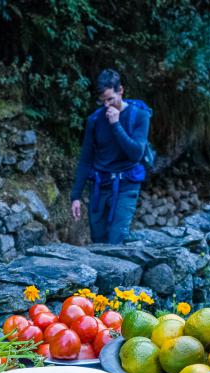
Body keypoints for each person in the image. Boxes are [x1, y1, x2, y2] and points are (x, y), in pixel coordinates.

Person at [70, 69, 151, 244]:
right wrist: (75, 197)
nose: (107, 105)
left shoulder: (140, 116)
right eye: (102, 101)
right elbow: (85, 159)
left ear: (120, 91)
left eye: (110, 99)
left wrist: (115, 125)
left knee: (117, 239)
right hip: (100, 186)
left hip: (126, 185)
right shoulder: (94, 120)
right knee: (98, 240)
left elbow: (136, 153)